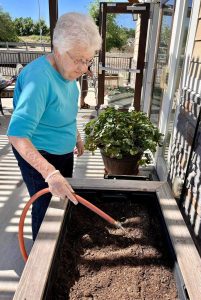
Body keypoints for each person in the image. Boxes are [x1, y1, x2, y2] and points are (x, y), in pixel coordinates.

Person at [7, 12, 102, 241]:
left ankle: (59, 242)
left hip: (62, 150)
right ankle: (40, 263)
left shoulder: (68, 71)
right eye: (78, 59)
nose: (83, 68)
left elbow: (64, 110)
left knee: (61, 199)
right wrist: (49, 172)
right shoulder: (38, 79)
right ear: (57, 49)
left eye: (88, 60)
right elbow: (17, 135)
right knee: (46, 207)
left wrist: (76, 136)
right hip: (39, 153)